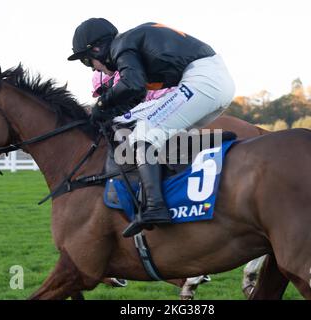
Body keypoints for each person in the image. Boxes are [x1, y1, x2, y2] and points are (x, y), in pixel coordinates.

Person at [68, 18, 235, 237]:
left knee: (144, 134)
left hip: (203, 79)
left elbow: (132, 84)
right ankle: (214, 141)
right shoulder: (130, 43)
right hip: (212, 79)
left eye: (87, 62)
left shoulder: (121, 45)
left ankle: (156, 207)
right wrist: (109, 111)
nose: (92, 69)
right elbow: (137, 94)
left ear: (98, 49)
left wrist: (101, 104)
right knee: (164, 133)